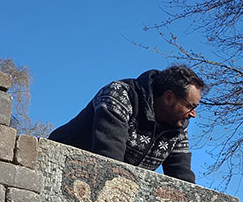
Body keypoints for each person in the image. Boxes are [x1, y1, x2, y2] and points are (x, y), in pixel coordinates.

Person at [49, 66, 206, 183]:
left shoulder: (177, 128)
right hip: (57, 168)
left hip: (111, 180)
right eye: (190, 106)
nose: (193, 114)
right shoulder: (120, 95)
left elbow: (182, 178)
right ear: (169, 97)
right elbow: (109, 158)